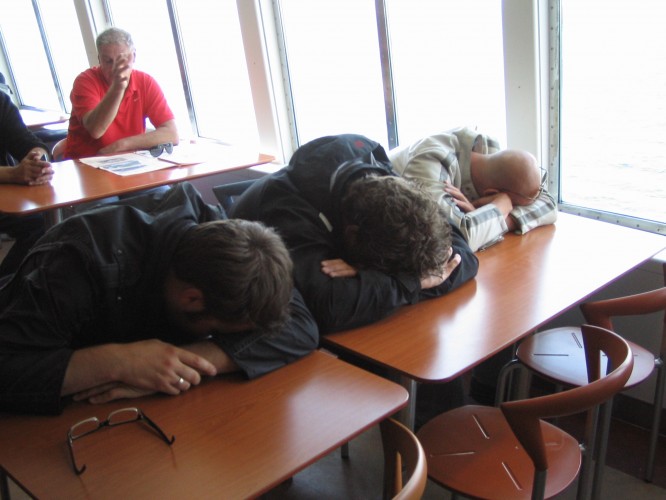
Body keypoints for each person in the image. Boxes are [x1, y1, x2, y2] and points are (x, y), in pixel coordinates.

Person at [0, 182, 318, 415]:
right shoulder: (74, 264)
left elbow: (300, 326)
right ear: (192, 300)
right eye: (229, 329)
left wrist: (176, 364)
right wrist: (117, 362)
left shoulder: (235, 251)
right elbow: (9, 367)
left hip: (139, 411)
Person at [231, 134, 479, 335]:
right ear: (351, 236)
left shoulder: (382, 176)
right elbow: (329, 308)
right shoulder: (289, 211)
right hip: (245, 295)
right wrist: (414, 283)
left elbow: (462, 257)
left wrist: (382, 282)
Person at [388, 126, 558, 252]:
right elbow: (453, 238)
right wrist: (498, 209)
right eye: (512, 205)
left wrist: (501, 219)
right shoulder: (431, 164)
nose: (511, 209)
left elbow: (549, 204)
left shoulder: (488, 150)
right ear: (491, 194)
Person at [64, 27, 178, 159]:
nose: (114, 68)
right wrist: (118, 87)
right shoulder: (85, 81)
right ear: (99, 60)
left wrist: (122, 145)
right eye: (108, 61)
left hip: (127, 162)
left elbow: (172, 133)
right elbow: (96, 130)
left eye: (121, 60)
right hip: (85, 164)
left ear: (134, 56)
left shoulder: (146, 82)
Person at [0, 90, 54, 277]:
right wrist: (13, 174)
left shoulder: (1, 100)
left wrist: (39, 160)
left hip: (5, 196)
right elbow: (15, 173)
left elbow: (29, 143)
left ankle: (8, 283)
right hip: (7, 182)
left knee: (42, 223)